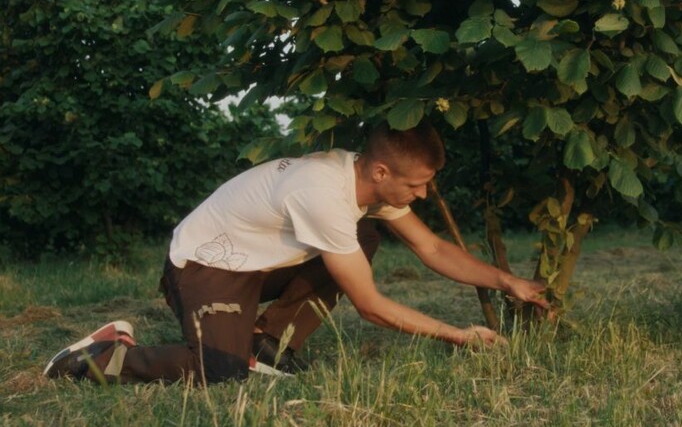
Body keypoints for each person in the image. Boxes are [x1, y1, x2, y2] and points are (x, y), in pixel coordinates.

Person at [44, 121, 549, 384]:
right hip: (202, 267)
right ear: (380, 172)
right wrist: (458, 335)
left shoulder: (363, 186)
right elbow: (371, 306)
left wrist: (507, 282)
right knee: (220, 374)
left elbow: (431, 246)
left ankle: (269, 347)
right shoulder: (323, 192)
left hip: (255, 265)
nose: (421, 196)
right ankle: (101, 356)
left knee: (364, 237)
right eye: (416, 186)